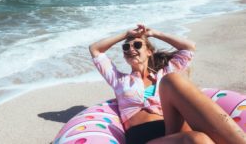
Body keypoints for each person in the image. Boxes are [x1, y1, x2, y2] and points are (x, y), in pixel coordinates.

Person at [89, 24, 246, 144]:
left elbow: (189, 47)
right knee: (197, 139)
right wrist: (126, 34)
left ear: (149, 52)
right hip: (144, 137)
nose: (130, 49)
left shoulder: (164, 75)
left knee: (172, 80)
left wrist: (154, 33)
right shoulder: (119, 80)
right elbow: (95, 49)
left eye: (137, 45)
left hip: (171, 127)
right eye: (126, 47)